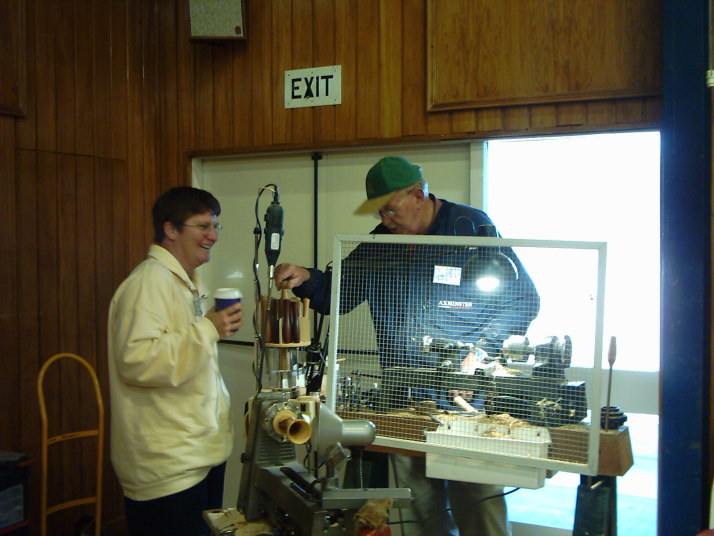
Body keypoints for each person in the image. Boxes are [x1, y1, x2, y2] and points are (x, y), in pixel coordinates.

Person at [274, 156, 540, 536]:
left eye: (390, 208)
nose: (385, 220)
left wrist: (481, 352)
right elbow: (340, 293)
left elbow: (522, 299)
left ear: (418, 195)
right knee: (418, 512)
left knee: (478, 507)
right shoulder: (381, 243)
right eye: (378, 212)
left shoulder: (470, 229)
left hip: (465, 401)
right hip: (405, 399)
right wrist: (306, 278)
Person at [108, 186, 244, 536]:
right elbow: (138, 361)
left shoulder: (182, 282)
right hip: (169, 470)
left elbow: (182, 352)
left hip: (197, 456)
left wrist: (209, 327)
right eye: (203, 226)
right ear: (170, 229)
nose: (213, 236)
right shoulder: (148, 282)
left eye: (215, 226)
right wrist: (208, 329)